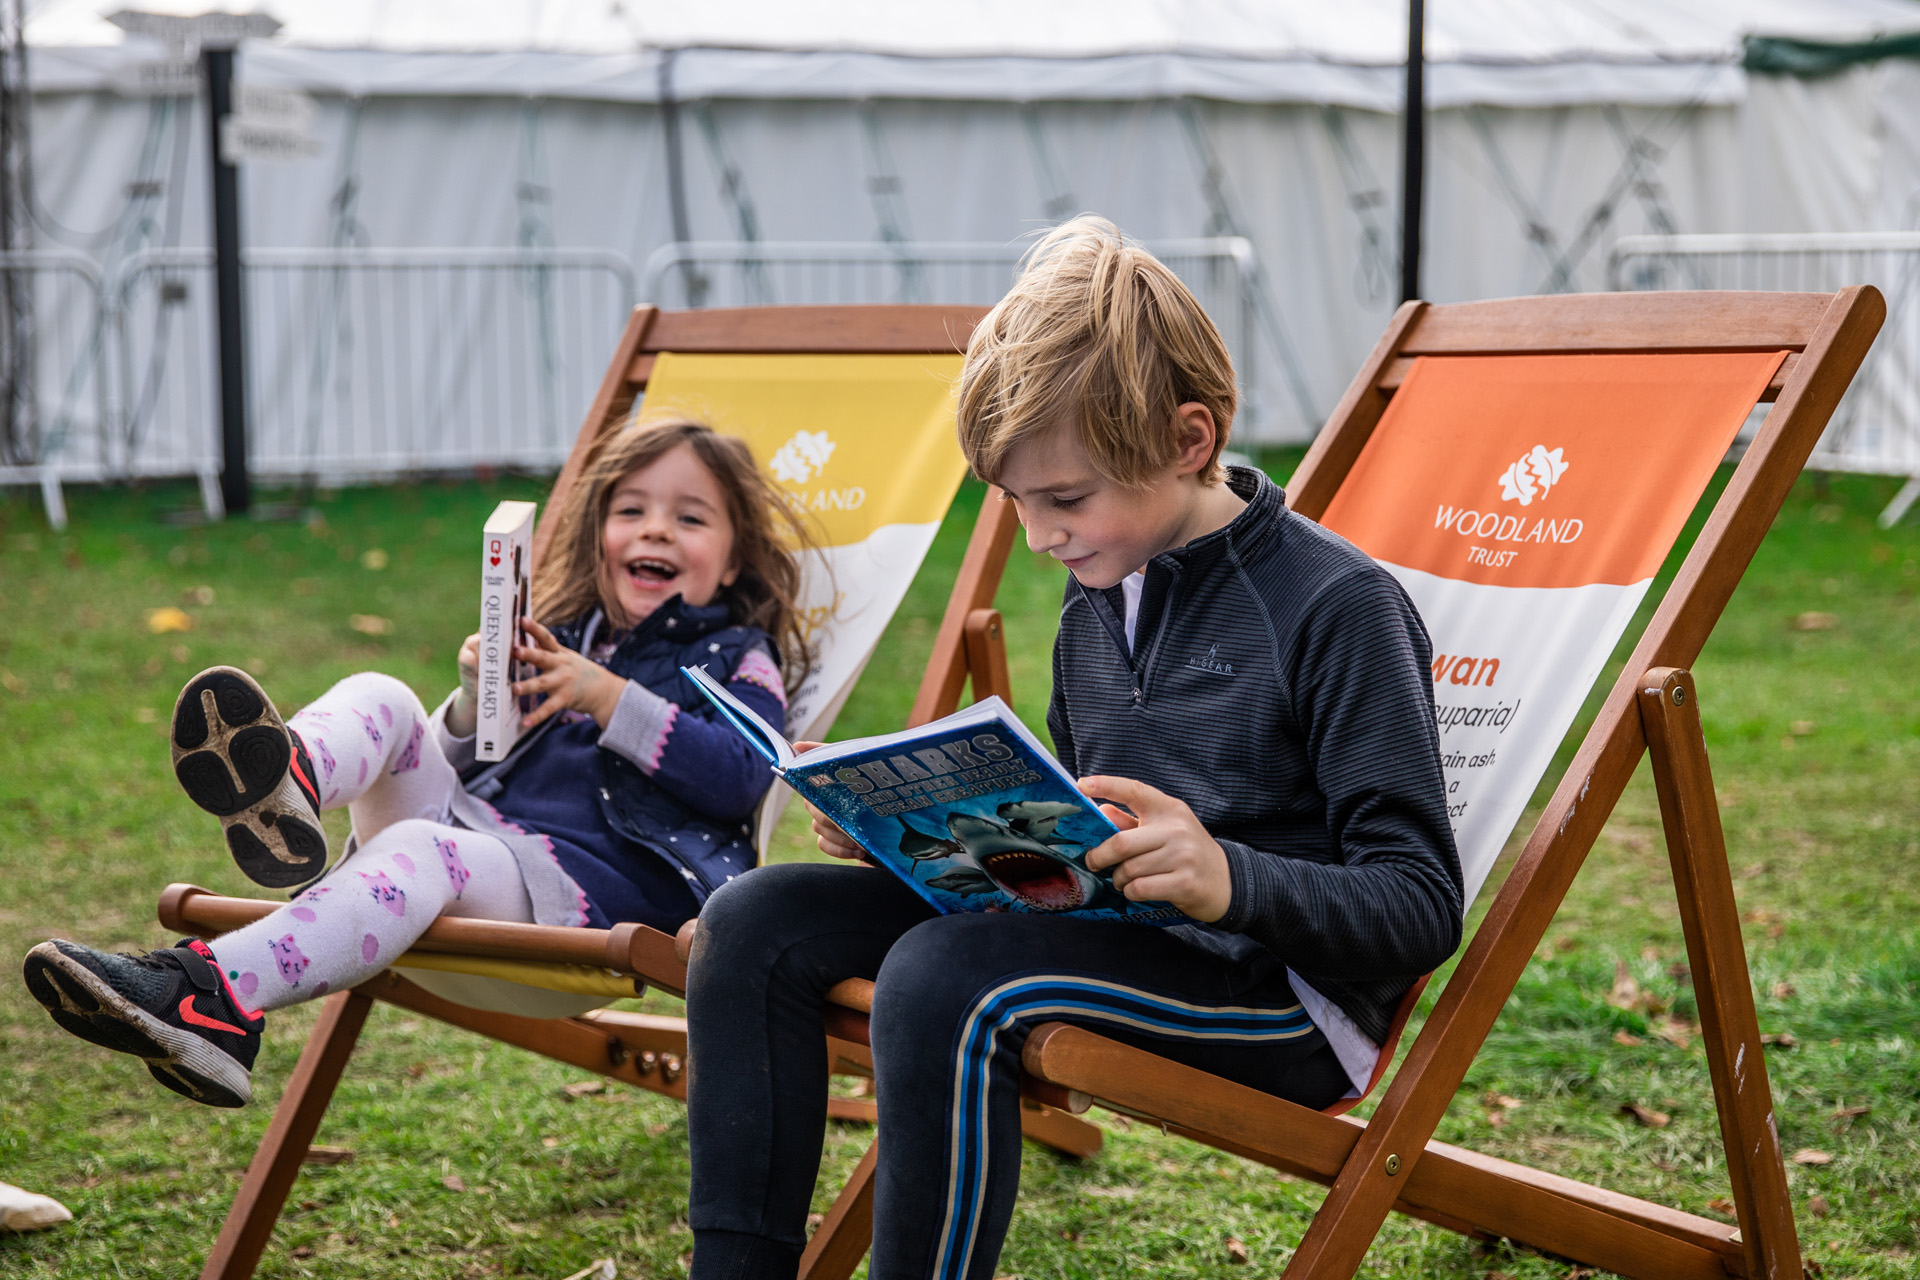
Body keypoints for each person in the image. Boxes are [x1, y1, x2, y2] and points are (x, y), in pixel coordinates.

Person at [682, 216, 1464, 1280]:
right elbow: (1068, 826)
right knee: (755, 917)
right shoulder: (1104, 589)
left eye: (1065, 497)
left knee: (948, 976)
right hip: (1114, 930)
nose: (1040, 532)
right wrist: (907, 832)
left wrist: (1225, 876)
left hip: (1277, 992)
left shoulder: (1339, 606)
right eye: (1015, 499)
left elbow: (1418, 905)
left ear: (1190, 441)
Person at [23, 418, 813, 1109]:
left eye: (691, 517)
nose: (656, 531)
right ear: (598, 535)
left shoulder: (739, 658)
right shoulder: (567, 633)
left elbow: (747, 775)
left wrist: (610, 699)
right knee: (387, 695)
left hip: (584, 895)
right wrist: (478, 698)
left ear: (737, 558)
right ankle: (293, 780)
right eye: (631, 511)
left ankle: (211, 994)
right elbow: (475, 759)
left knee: (418, 850)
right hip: (475, 844)